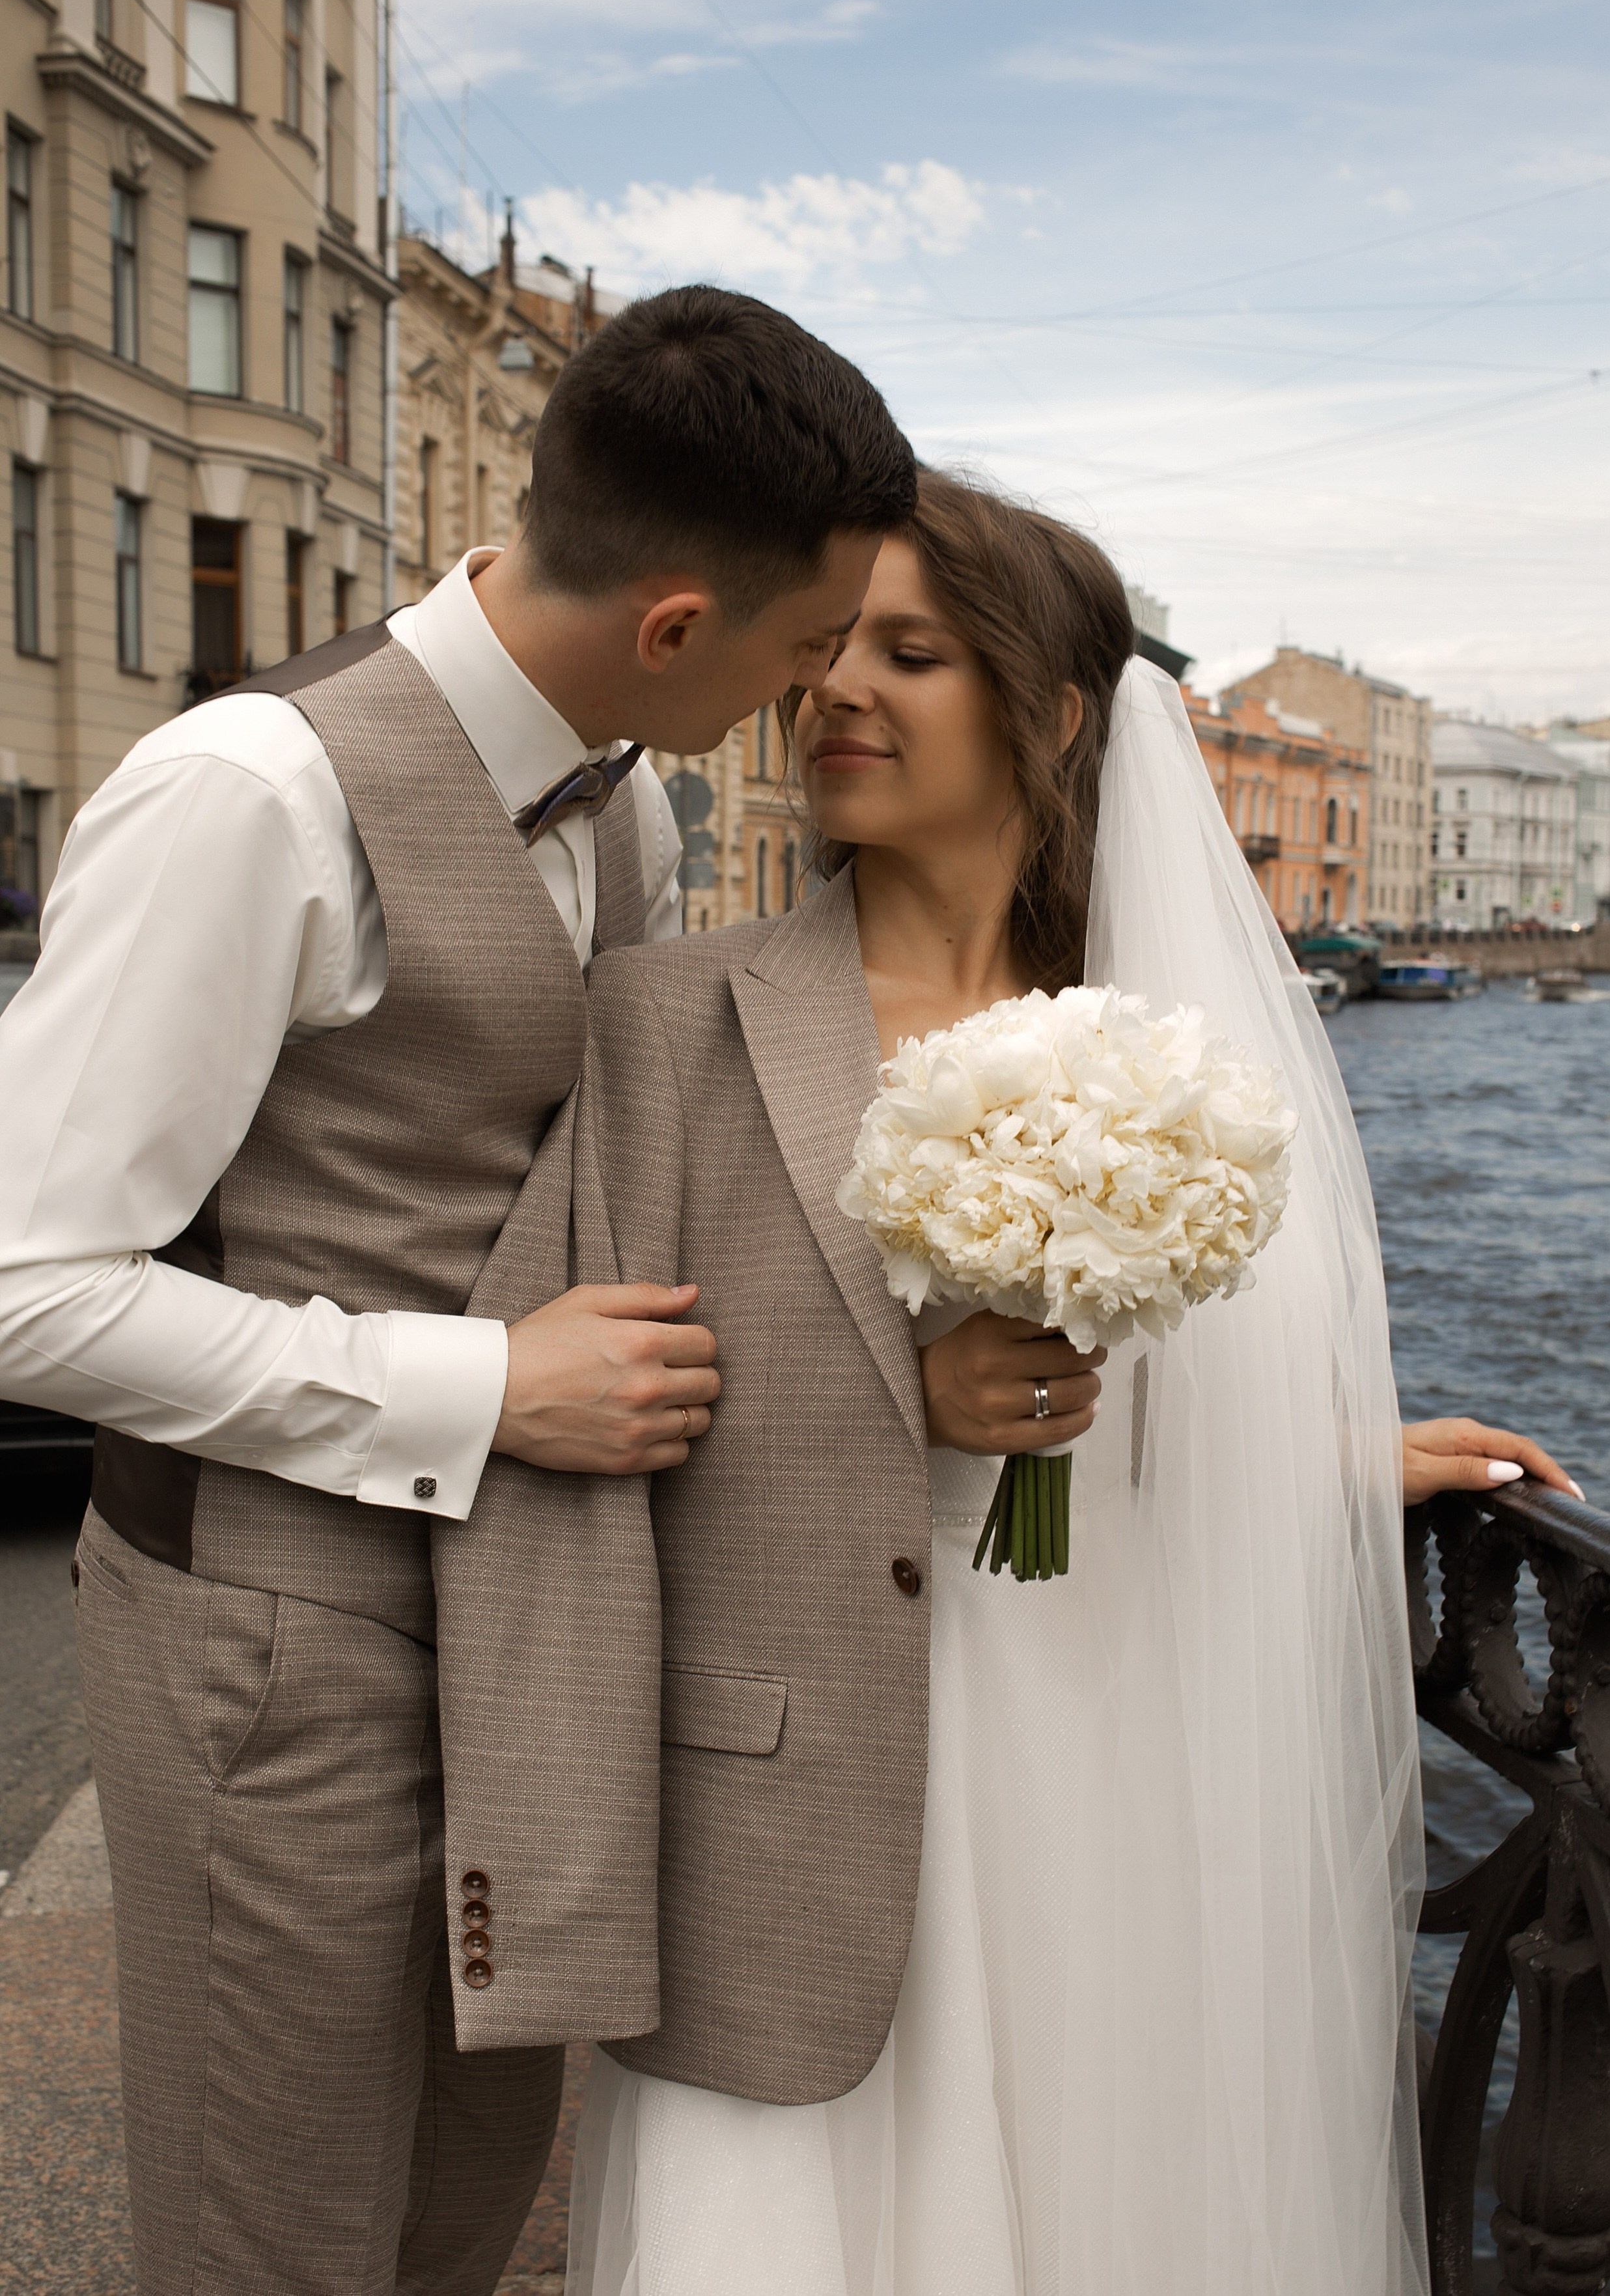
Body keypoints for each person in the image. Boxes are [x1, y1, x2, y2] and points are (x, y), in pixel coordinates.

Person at [546, 471, 1576, 2296]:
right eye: (824, 649)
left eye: (910, 651)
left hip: (1106, 1728)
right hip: (792, 1771)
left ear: (1051, 707)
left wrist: (1327, 1454)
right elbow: (569, 1421)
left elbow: (1161, 1379)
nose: (836, 691)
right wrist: (897, 1404)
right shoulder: (666, 1014)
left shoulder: (1180, 1050)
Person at [0, 286, 916, 2295]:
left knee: (449, 2222)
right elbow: (27, 1288)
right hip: (270, 1647)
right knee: (277, 2243)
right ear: (677, 624)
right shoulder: (247, 794)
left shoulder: (626, 807)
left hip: (520, 1642)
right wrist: (478, 1390)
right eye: (801, 643)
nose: (812, 687)